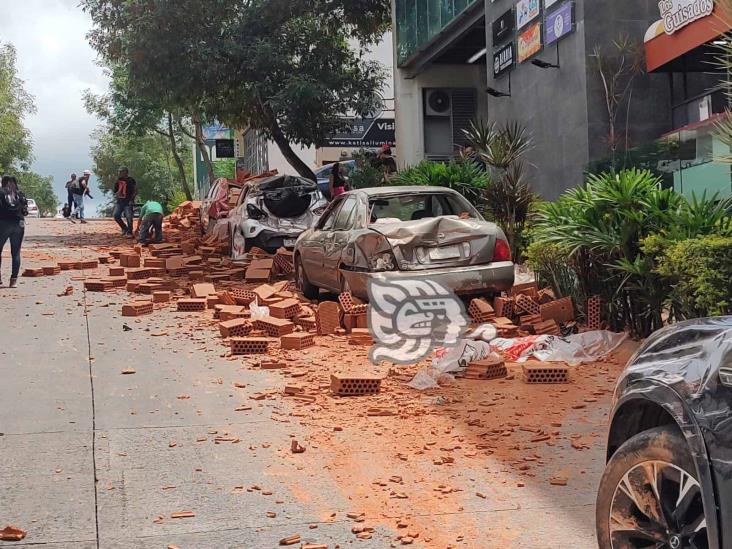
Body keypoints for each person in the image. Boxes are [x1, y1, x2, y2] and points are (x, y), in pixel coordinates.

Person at [0, 175, 28, 287]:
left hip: (3, 223)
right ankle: (13, 280)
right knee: (16, 252)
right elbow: (25, 211)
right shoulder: (20, 194)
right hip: (19, 223)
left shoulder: (1, 192)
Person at [113, 166, 137, 237]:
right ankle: (124, 228)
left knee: (129, 217)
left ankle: (130, 232)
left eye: (121, 171)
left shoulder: (131, 180)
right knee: (116, 215)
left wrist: (132, 199)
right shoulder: (118, 181)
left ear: (126, 172)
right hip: (120, 201)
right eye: (119, 171)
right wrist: (117, 193)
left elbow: (135, 190)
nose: (120, 173)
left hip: (128, 201)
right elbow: (115, 191)